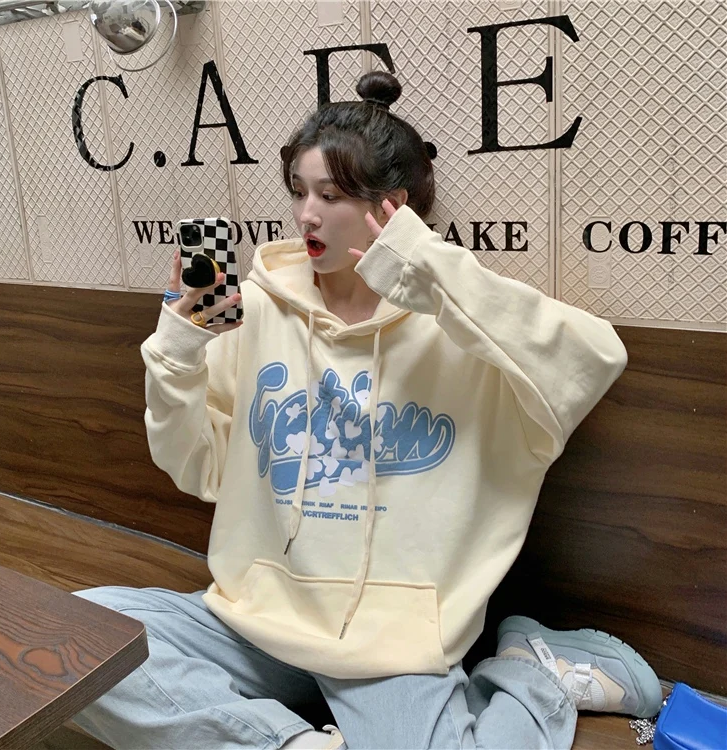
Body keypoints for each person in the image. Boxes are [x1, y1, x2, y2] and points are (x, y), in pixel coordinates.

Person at [72, 71, 662, 749]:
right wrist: (178, 351)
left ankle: (534, 672)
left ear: (393, 208)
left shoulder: (460, 327)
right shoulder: (255, 309)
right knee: (74, 635)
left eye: (330, 195)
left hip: (389, 649)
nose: (307, 215)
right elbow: (197, 470)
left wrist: (427, 269)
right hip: (257, 621)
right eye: (298, 191)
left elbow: (594, 358)